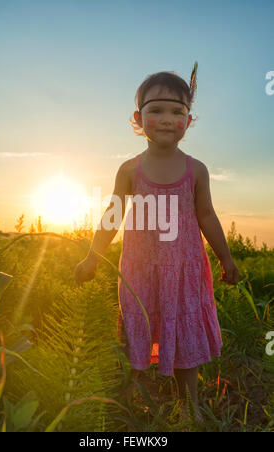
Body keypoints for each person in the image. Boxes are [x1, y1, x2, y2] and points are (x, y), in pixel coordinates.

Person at [74, 62, 239, 422]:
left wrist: (225, 258)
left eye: (178, 111)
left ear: (189, 121)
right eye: (156, 110)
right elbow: (113, 215)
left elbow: (206, 215)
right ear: (138, 118)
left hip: (184, 270)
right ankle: (128, 404)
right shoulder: (130, 170)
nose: (167, 118)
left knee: (184, 335)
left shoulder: (196, 170)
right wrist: (91, 256)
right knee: (136, 334)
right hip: (139, 271)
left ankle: (189, 406)